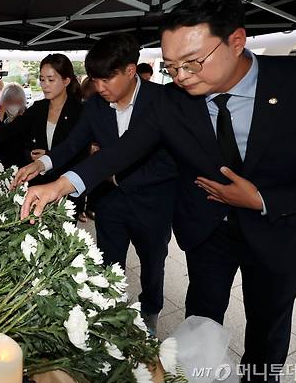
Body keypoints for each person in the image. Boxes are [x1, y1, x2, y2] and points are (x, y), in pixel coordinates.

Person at [18, 0, 296, 383]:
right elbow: (124, 150)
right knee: (199, 325)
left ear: (236, 41)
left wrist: (264, 198)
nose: (180, 76)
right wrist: (61, 183)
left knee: (267, 333)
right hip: (208, 232)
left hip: (281, 231)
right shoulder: (174, 101)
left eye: (192, 63)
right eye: (170, 66)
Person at [16, 34, 177, 334]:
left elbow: (170, 162)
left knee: (153, 264)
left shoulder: (163, 100)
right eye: (94, 79)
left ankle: (151, 310)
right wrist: (42, 163)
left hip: (152, 203)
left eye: (106, 79)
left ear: (130, 71)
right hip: (110, 202)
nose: (99, 87)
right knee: (108, 264)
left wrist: (117, 175)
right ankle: (109, 314)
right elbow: (73, 144)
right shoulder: (96, 106)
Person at [0, 53, 85, 218]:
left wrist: (49, 158)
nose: (45, 85)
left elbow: (80, 152)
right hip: (37, 187)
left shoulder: (80, 112)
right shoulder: (39, 108)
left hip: (66, 192)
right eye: (42, 79)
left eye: (51, 79)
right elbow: (10, 130)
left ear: (66, 81)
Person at [0, 83, 29, 168]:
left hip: (20, 164)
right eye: (10, 102)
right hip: (0, 164)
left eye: (17, 102)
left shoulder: (25, 116)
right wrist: (1, 112)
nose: (14, 104)